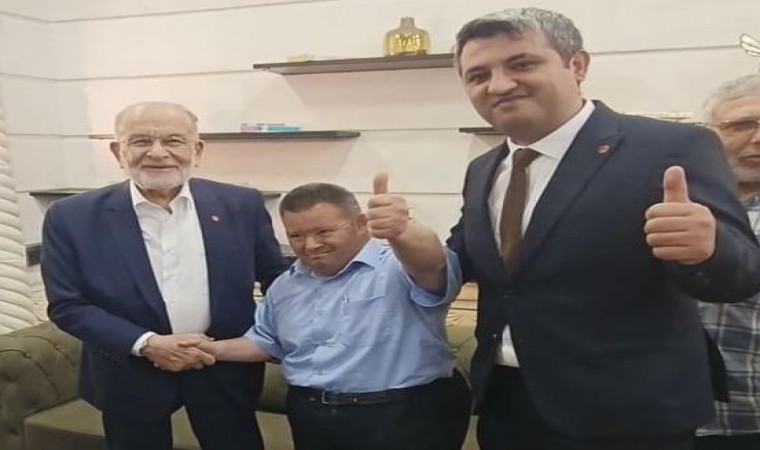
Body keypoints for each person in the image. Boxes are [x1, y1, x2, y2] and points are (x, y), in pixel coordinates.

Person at [446, 7, 760, 450]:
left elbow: (741, 274)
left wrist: (708, 250)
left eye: (522, 64)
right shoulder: (483, 169)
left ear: (577, 65)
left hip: (627, 413)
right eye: (478, 75)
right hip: (509, 403)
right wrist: (403, 240)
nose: (498, 85)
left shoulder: (670, 147)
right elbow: (472, 262)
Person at [40, 101, 289, 450]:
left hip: (223, 369)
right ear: (118, 151)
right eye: (141, 141)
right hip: (129, 374)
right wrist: (147, 344)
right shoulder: (72, 217)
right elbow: (67, 305)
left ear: (197, 150)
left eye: (173, 140)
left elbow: (278, 281)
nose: (158, 153)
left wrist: (282, 336)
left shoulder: (241, 204)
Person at [184, 179, 472, 450]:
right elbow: (266, 341)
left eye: (324, 232)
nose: (310, 245)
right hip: (313, 415)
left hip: (404, 413)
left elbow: (432, 263)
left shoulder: (399, 268)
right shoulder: (286, 284)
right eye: (296, 236)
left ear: (361, 223)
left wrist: (402, 230)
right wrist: (207, 349)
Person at [695, 74, 760, 450]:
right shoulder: (672, 201)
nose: (758, 138)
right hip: (663, 415)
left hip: (749, 417)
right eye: (742, 124)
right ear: (708, 135)